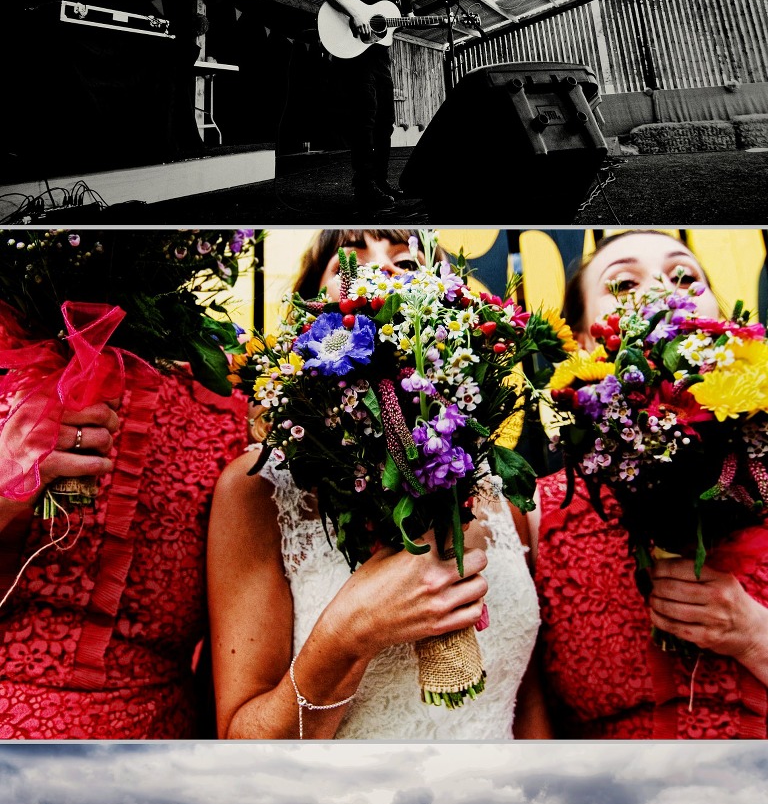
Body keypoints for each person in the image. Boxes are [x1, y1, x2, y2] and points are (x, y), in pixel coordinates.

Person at [207, 230, 551, 741]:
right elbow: (246, 746)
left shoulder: (500, 497)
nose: (381, 272)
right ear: (307, 320)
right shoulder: (258, 490)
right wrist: (351, 630)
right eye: (350, 263)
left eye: (406, 262)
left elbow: (525, 705)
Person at [0, 239, 248, 740]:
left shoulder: (225, 419)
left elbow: (233, 665)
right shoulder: (12, 372)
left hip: (152, 748)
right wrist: (11, 487)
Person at [533, 230, 768, 740]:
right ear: (583, 342)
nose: (664, 289)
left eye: (684, 276)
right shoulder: (536, 517)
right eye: (622, 285)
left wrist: (756, 636)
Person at [322, 0, 419, 215]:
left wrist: (395, 24)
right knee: (366, 116)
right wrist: (356, 15)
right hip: (356, 57)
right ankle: (363, 186)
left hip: (380, 58)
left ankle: (380, 181)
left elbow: (405, 19)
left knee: (386, 118)